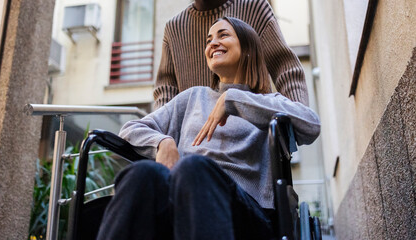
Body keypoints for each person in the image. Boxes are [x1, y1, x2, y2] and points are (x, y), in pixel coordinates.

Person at [96, 17, 320, 240]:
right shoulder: (193, 97)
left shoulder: (268, 102)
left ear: (248, 47)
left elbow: (311, 124)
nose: (212, 43)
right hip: (182, 206)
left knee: (194, 167)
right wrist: (162, 142)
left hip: (246, 214)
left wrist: (233, 100)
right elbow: (130, 128)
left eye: (223, 35)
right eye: (209, 39)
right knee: (143, 173)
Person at [154, 0, 309, 110]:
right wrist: (162, 140)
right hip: (194, 143)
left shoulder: (255, 8)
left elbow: (285, 67)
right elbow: (166, 90)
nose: (214, 43)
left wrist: (295, 118)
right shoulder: (174, 28)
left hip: (250, 137)